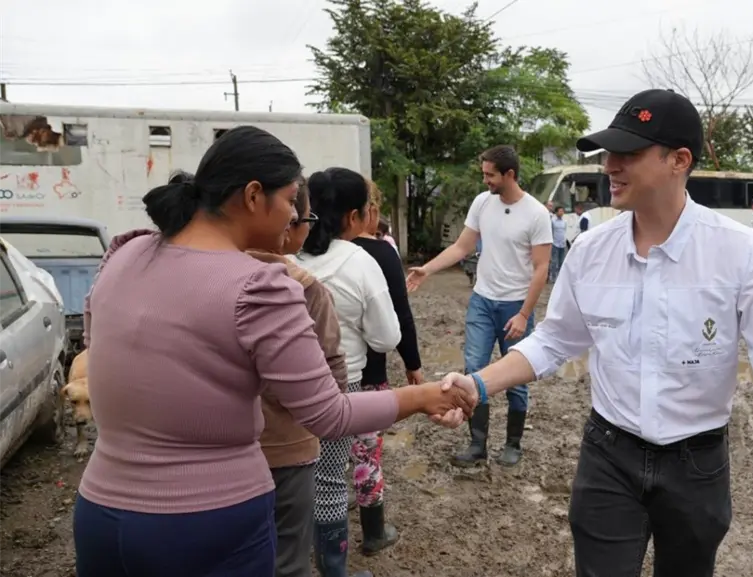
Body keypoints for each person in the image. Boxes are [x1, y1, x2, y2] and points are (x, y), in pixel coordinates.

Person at [431, 89, 753, 577]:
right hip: (609, 457)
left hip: (697, 465)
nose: (610, 164)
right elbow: (554, 339)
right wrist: (478, 382)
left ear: (679, 160)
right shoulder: (592, 251)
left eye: (628, 153)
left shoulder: (740, 255)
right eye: (609, 152)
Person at [72, 126, 472, 577]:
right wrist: (422, 397)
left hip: (100, 512)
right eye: (290, 201)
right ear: (253, 195)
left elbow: (98, 349)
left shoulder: (126, 251)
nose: (295, 217)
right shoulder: (260, 286)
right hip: (207, 521)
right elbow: (328, 416)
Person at [407, 145, 552, 467]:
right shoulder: (482, 203)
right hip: (482, 302)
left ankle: (513, 443)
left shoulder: (537, 214)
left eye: (490, 175)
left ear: (509, 174)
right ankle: (478, 444)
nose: (485, 180)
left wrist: (524, 314)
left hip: (515, 305)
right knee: (474, 370)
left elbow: (542, 267)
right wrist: (428, 269)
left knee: (516, 376)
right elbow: (462, 246)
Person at [293, 167, 404, 577]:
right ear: (355, 216)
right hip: (342, 386)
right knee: (329, 482)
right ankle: (333, 569)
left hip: (278, 388)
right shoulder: (360, 261)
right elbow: (386, 337)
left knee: (284, 478)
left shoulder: (282, 254)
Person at [246, 179, 345, 577]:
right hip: (286, 448)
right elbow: (332, 374)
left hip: (214, 453)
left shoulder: (195, 273)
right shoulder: (303, 287)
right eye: (303, 215)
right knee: (288, 557)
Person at [347, 177, 424, 556]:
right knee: (365, 454)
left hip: (318, 375)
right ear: (368, 212)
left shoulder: (308, 251)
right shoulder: (379, 254)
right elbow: (401, 316)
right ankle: (373, 532)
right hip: (368, 373)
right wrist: (414, 365)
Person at [549, 205, 568, 282]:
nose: (561, 213)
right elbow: (551, 231)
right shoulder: (553, 221)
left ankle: (560, 277)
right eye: (560, 211)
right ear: (556, 212)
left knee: (561, 261)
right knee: (554, 261)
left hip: (562, 244)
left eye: (562, 211)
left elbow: (564, 231)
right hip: (555, 243)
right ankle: (553, 277)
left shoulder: (564, 222)